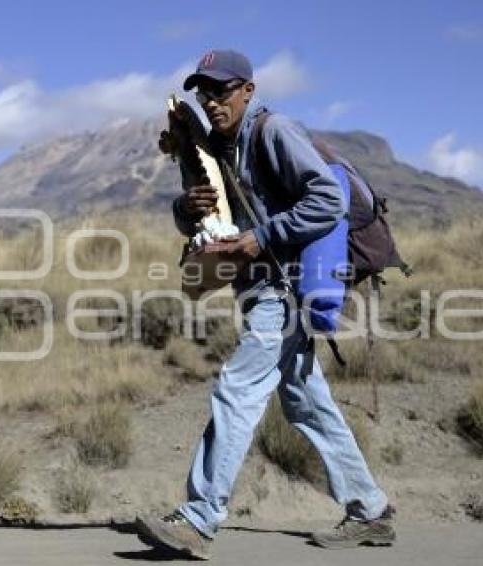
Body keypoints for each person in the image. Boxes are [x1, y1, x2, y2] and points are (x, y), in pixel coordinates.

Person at [135, 49, 395, 559]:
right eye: (203, 92)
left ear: (248, 90)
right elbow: (217, 221)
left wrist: (260, 239)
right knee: (306, 401)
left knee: (238, 389)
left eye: (222, 90)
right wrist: (185, 211)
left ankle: (199, 516)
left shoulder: (273, 132)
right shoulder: (219, 149)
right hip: (259, 290)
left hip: (286, 287)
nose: (211, 101)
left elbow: (328, 200)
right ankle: (370, 510)